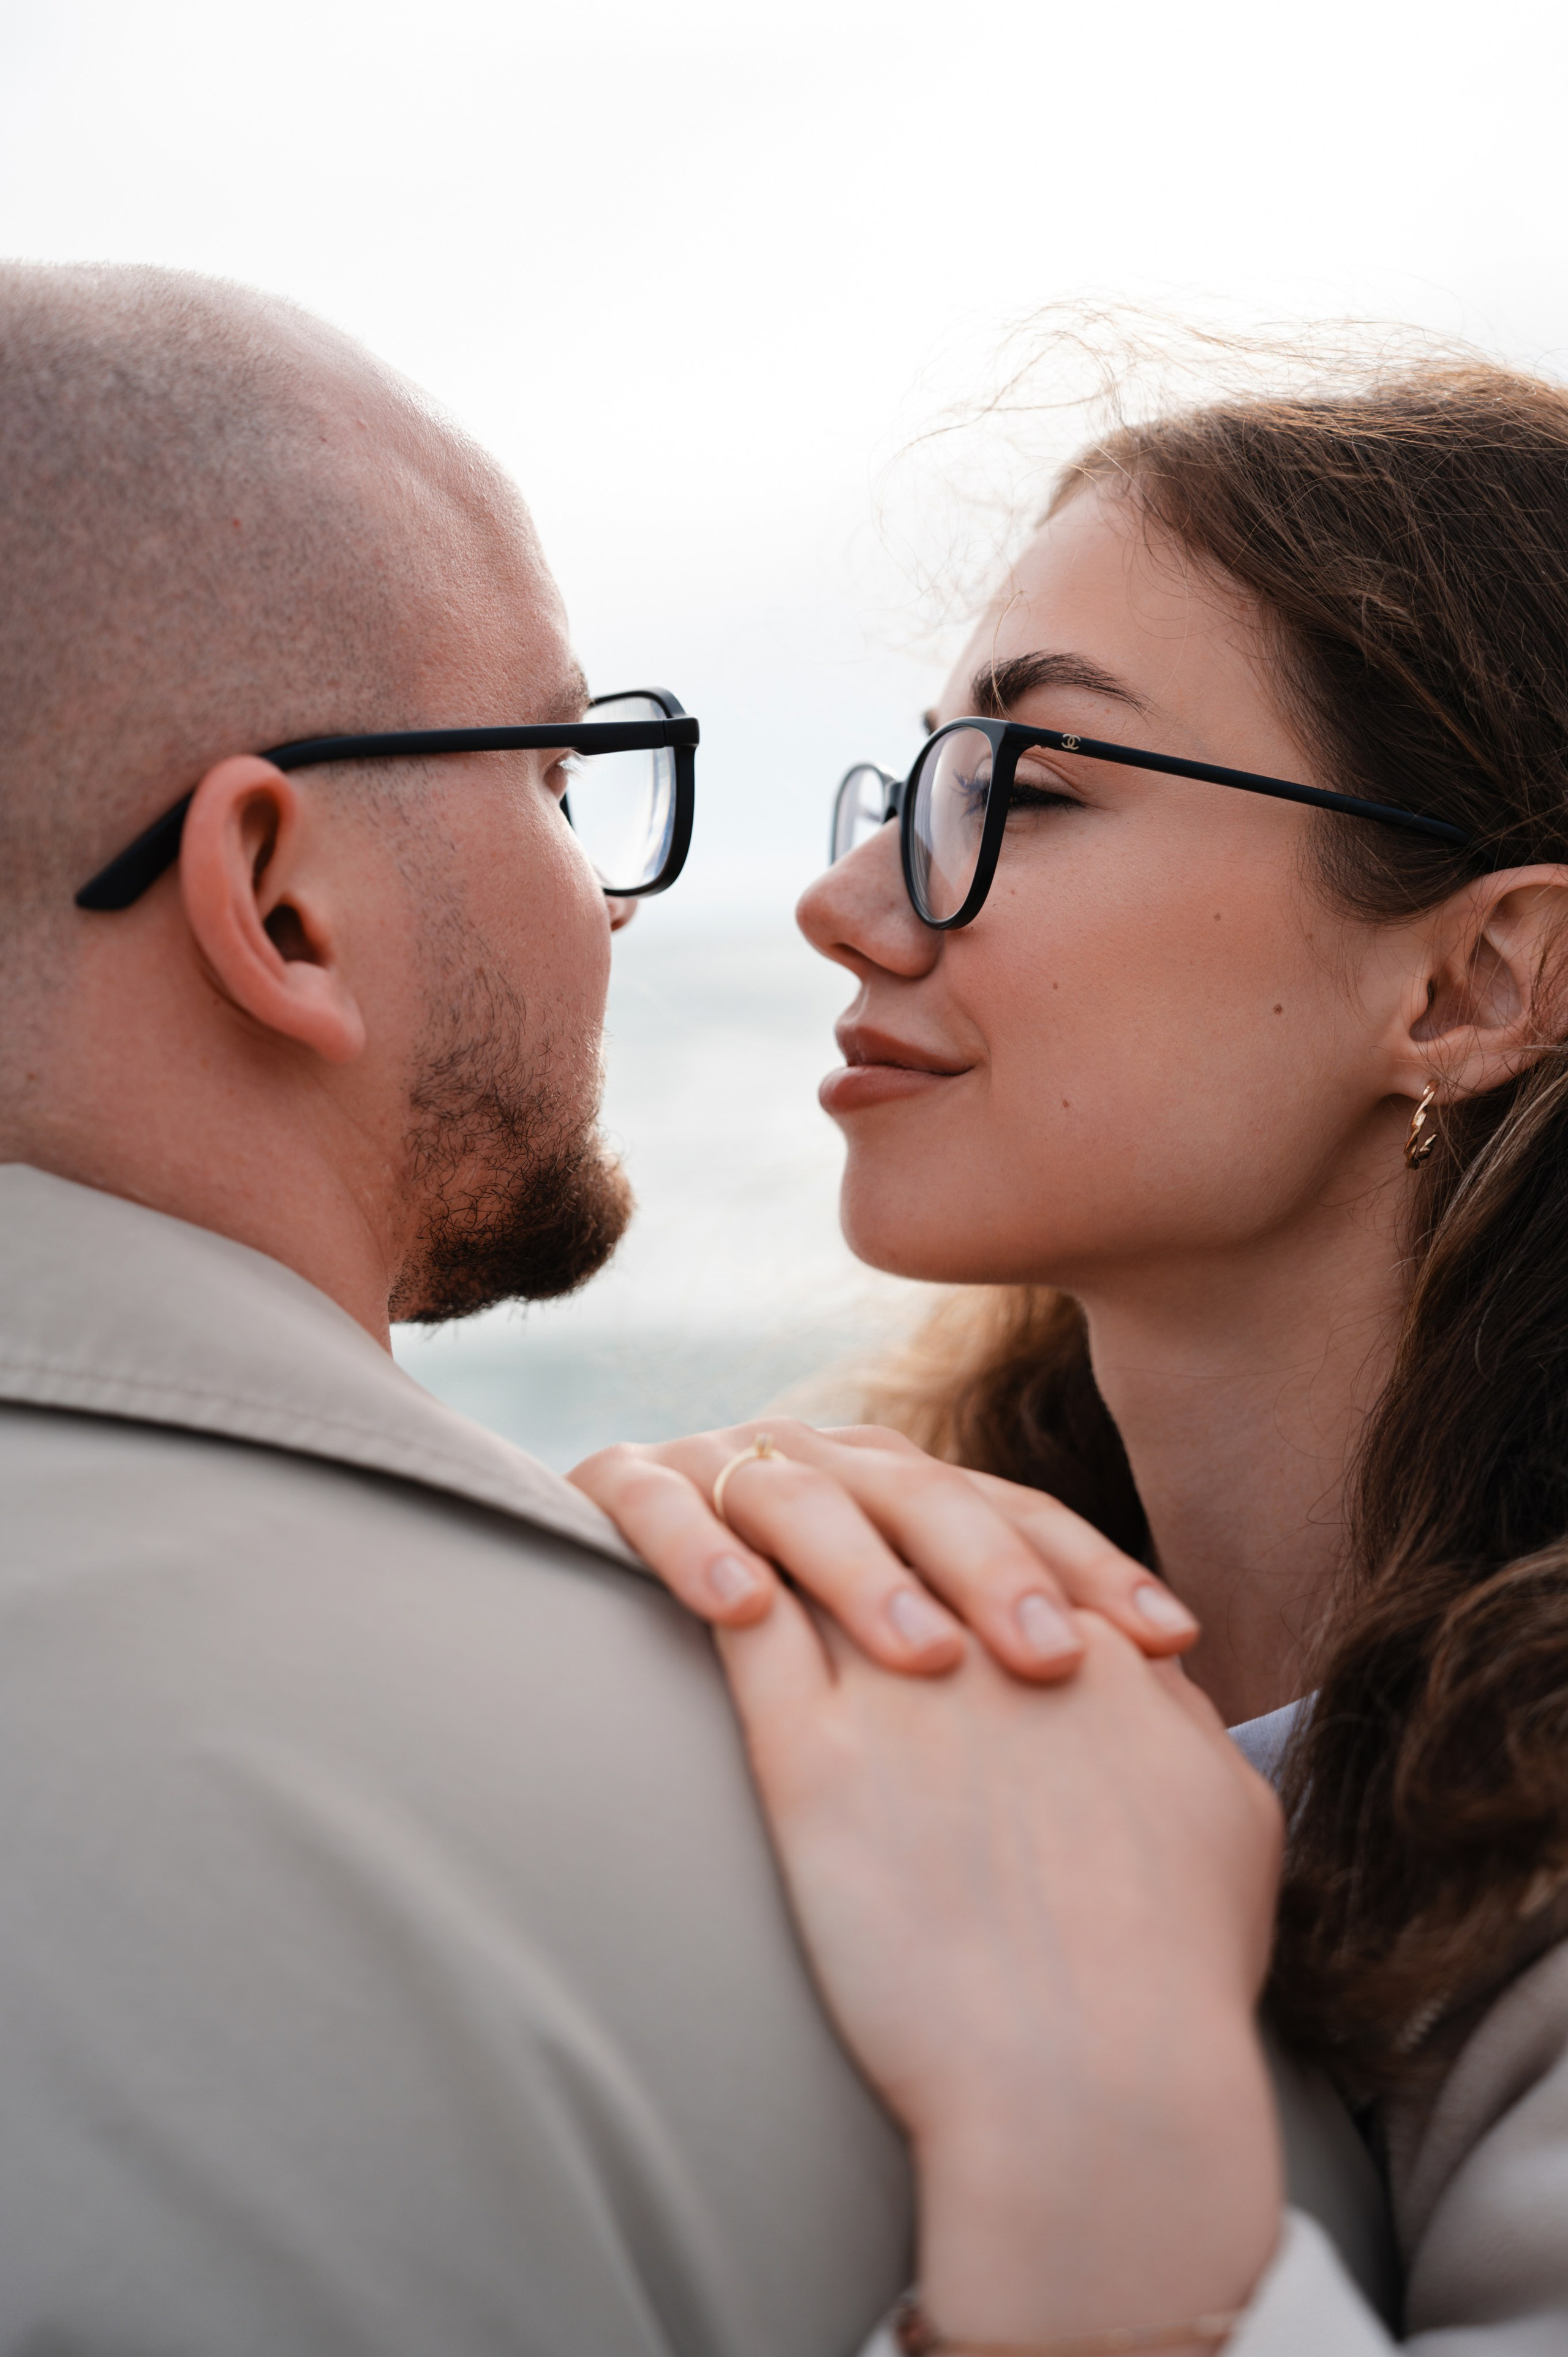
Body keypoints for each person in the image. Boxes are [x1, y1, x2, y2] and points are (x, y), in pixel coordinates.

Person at [574, 355, 1568, 2348]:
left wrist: (1095, 2161)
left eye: (1022, 791)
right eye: (921, 783)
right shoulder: (951, 1629)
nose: (849, 905)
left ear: (1470, 982)